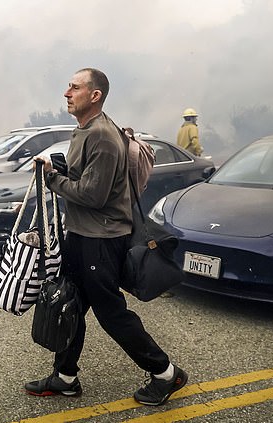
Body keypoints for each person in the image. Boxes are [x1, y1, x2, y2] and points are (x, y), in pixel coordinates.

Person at [25, 68, 187, 406]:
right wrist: (55, 166)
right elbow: (85, 176)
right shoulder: (86, 130)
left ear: (94, 95)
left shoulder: (101, 134)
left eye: (75, 87)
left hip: (101, 239)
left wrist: (53, 179)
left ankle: (166, 374)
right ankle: (66, 377)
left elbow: (92, 195)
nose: (66, 92)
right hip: (83, 235)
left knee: (111, 314)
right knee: (69, 305)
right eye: (68, 87)